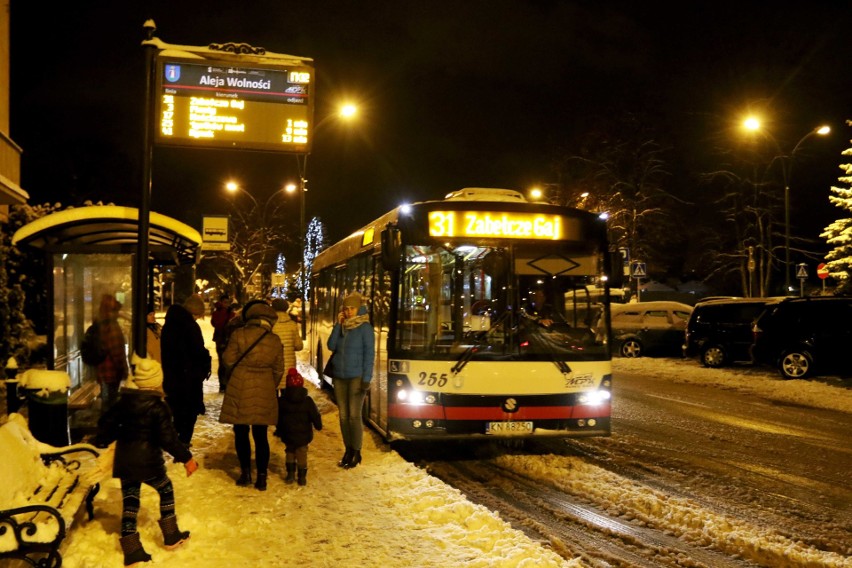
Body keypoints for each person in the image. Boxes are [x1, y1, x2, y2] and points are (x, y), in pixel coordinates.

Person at [95, 355, 199, 567]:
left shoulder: (122, 403)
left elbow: (105, 425)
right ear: (154, 382)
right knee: (165, 489)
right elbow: (168, 438)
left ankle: (132, 552)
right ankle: (171, 536)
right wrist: (187, 458)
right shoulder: (158, 407)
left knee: (131, 503)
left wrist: (104, 440)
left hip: (125, 462)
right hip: (148, 463)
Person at [219, 301, 284, 491]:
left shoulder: (238, 334)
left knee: (241, 432)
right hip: (264, 385)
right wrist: (268, 383)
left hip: (240, 385)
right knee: (261, 434)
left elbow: (228, 359)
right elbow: (279, 369)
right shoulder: (274, 340)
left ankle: (245, 473)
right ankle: (262, 477)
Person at [327, 291, 374, 469]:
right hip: (340, 376)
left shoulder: (365, 328)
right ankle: (347, 450)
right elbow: (331, 345)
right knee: (343, 416)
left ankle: (357, 451)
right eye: (346, 309)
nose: (348, 312)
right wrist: (338, 326)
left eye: (352, 308)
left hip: (356, 377)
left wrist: (367, 378)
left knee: (354, 416)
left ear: (359, 308)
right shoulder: (343, 326)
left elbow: (370, 355)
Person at [161, 294, 212, 446]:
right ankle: (182, 443)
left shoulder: (169, 324)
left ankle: (177, 440)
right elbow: (197, 351)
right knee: (190, 412)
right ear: (194, 312)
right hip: (189, 377)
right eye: (198, 315)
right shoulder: (190, 326)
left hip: (172, 375)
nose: (198, 318)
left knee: (177, 410)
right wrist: (205, 361)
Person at [275, 367, 322, 486]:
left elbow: (278, 418)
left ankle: (290, 474)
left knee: (289, 452)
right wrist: (318, 425)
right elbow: (315, 415)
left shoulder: (282, 401)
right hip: (303, 435)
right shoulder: (307, 401)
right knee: (302, 453)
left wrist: (279, 430)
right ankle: (301, 477)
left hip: (288, 434)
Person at [94, 293, 129, 413]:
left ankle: (105, 426)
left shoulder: (100, 322)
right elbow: (116, 351)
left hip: (102, 370)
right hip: (112, 371)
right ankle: (107, 428)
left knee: (106, 401)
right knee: (110, 403)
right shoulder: (112, 325)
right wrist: (124, 369)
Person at [271, 298, 303, 390]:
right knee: (287, 392)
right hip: (289, 367)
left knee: (275, 394)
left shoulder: (270, 324)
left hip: (274, 366)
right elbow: (299, 346)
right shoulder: (292, 324)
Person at [210, 295, 232, 386]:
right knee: (222, 362)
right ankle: (223, 383)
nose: (226, 304)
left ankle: (226, 383)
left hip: (229, 339)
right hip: (221, 339)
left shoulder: (230, 312)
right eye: (225, 302)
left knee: (228, 362)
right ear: (221, 302)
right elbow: (216, 324)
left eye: (228, 302)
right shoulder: (218, 313)